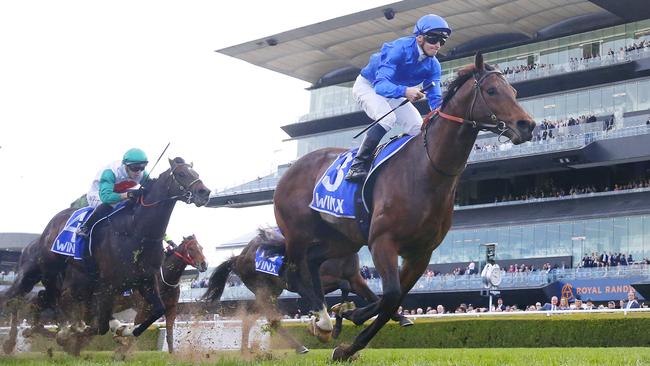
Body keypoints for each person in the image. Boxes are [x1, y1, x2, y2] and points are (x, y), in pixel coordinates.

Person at [345, 14, 451, 182]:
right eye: (433, 39)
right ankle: (358, 165)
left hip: (395, 92)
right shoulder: (399, 49)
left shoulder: (434, 65)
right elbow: (380, 86)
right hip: (370, 86)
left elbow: (435, 99)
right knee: (388, 118)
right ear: (420, 38)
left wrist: (444, 116)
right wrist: (405, 91)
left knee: (418, 128)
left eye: (442, 41)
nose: (437, 45)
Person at [77, 148, 149, 239]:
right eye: (135, 168)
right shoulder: (110, 172)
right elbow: (106, 197)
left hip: (119, 192)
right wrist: (128, 195)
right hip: (99, 194)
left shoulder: (142, 174)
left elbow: (152, 187)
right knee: (110, 204)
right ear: (126, 165)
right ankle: (85, 227)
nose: (138, 172)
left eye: (142, 167)